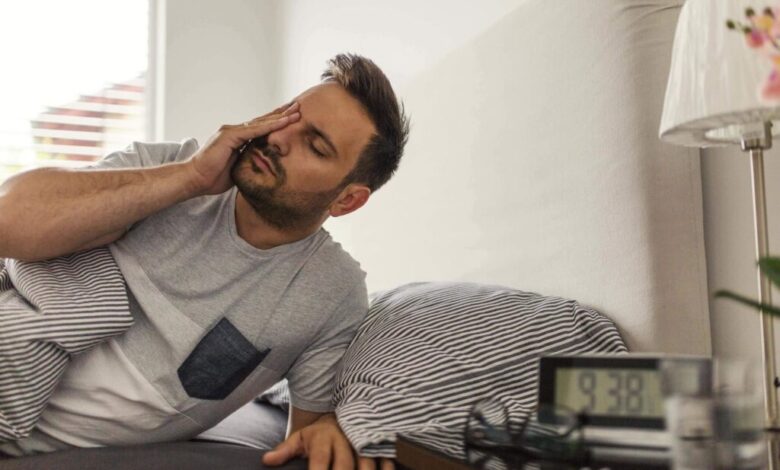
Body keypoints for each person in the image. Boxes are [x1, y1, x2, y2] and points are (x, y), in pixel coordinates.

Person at [0, 53, 409, 470]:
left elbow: (304, 437)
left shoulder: (330, 292)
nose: (280, 138)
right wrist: (190, 178)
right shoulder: (171, 167)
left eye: (315, 146)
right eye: (288, 116)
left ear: (347, 200)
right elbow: (6, 222)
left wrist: (330, 426)